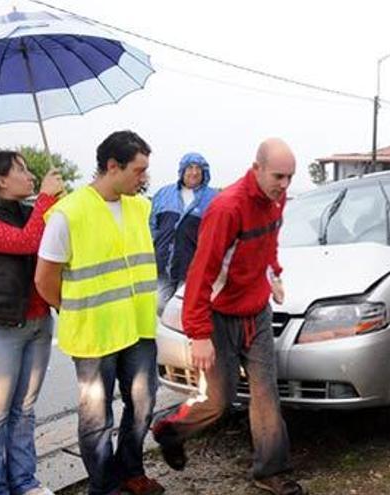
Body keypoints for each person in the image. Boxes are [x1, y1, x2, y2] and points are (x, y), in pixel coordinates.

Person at [151, 138, 303, 495]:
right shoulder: (226, 208)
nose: (284, 185)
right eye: (278, 176)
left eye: (290, 177)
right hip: (220, 317)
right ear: (256, 169)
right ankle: (169, 430)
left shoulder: (275, 199)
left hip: (257, 312)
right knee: (219, 401)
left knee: (266, 395)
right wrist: (199, 334)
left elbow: (268, 242)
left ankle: (270, 471)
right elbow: (201, 272)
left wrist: (274, 273)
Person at [34, 131, 163, 495]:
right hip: (94, 334)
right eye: (138, 171)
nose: (144, 178)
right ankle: (105, 486)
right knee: (96, 418)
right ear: (112, 166)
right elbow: (44, 280)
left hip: (138, 328)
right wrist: (74, 308)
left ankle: (131, 471)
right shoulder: (68, 214)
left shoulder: (140, 207)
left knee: (142, 405)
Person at [0, 150, 64, 495]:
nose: (31, 176)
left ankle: (24, 482)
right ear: (1, 180)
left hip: (38, 325)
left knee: (25, 410)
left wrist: (59, 208)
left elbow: (54, 246)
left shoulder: (29, 213)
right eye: (21, 170)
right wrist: (46, 199)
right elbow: (27, 242)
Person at [150, 152, 217, 314]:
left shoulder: (213, 198)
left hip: (191, 268)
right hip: (163, 264)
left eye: (198, 169)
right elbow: (152, 226)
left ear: (204, 173)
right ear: (182, 171)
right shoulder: (163, 194)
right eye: (190, 168)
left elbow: (215, 234)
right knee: (158, 306)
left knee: (183, 311)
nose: (194, 172)